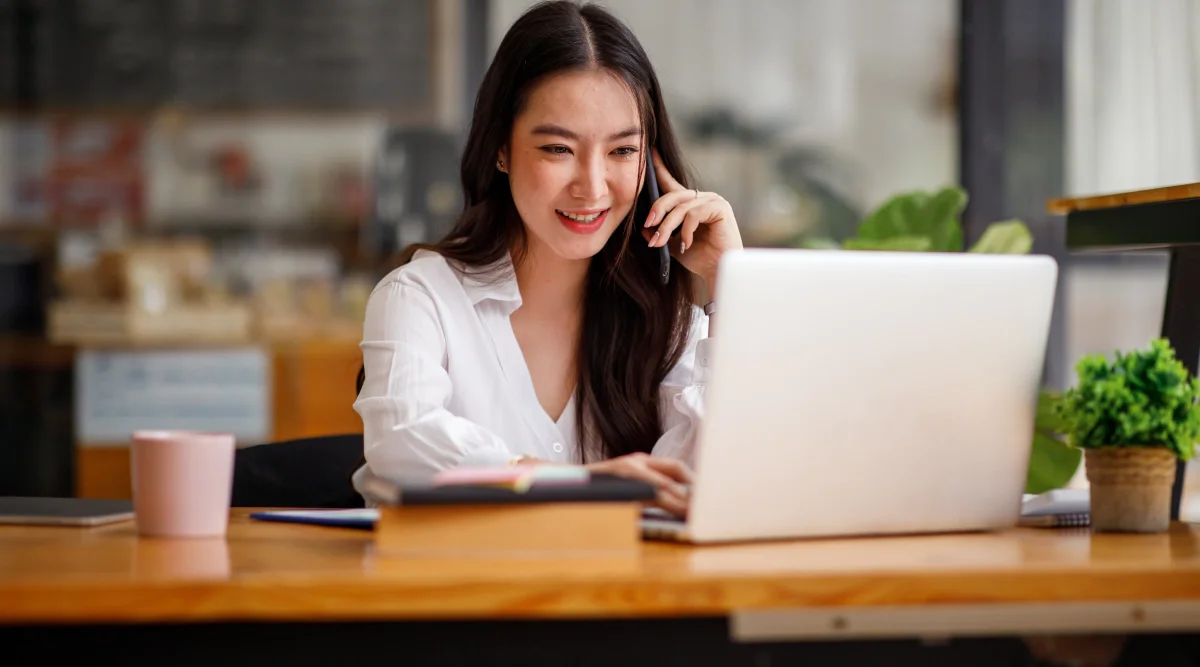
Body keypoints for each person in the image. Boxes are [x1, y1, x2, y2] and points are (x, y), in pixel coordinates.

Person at [353, 0, 743, 516]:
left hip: (625, 595)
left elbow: (716, 479)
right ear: (501, 149)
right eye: (559, 149)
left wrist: (730, 281)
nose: (593, 186)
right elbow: (401, 439)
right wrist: (580, 483)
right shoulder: (420, 298)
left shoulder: (668, 319)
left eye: (622, 151)